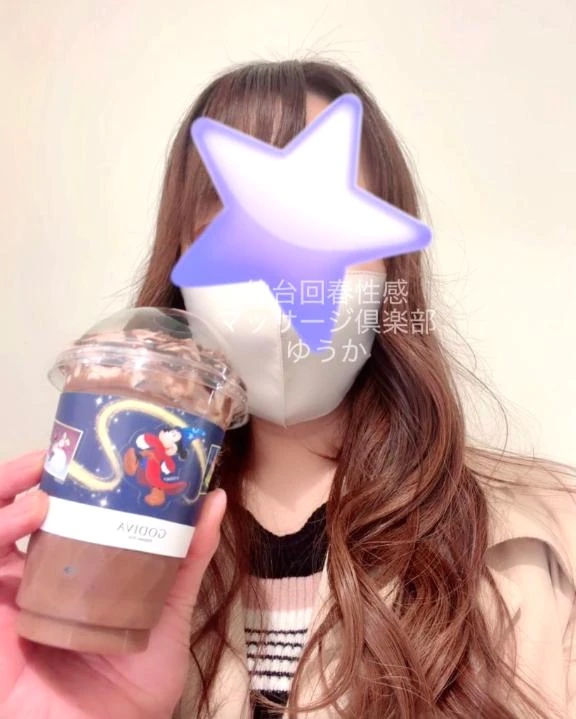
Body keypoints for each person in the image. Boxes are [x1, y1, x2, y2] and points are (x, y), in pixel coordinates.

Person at [0, 59, 574, 719]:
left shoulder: (548, 542)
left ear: (393, 263)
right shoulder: (105, 547)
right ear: (182, 260)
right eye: (238, 226)